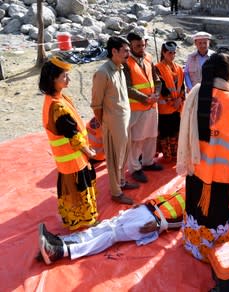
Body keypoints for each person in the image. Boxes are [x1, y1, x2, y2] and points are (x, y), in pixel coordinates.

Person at [177, 50, 229, 262]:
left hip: (197, 170)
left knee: (199, 212)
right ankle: (223, 250)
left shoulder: (195, 96)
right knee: (224, 216)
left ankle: (196, 245)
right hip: (225, 177)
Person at [37, 192, 185, 265]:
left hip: (152, 222)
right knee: (107, 225)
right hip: (147, 210)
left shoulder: (200, 201)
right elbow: (167, 199)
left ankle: (60, 252)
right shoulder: (190, 184)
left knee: (112, 234)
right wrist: (145, 203)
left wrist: (160, 225)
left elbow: (185, 222)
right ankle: (59, 241)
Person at [39, 57, 99, 231]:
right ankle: (85, 222)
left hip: (69, 160)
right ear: (53, 79)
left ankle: (79, 220)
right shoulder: (57, 106)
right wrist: (88, 151)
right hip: (73, 160)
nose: (68, 79)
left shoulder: (54, 98)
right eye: (64, 76)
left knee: (73, 192)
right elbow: (72, 134)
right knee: (78, 193)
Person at [91, 36, 138, 205]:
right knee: (113, 159)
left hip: (124, 121)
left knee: (124, 155)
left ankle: (122, 182)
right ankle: (116, 192)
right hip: (112, 123)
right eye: (125, 50)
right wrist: (107, 123)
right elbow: (96, 105)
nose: (128, 53)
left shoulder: (120, 69)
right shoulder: (103, 73)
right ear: (114, 51)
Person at [123, 32, 163, 184]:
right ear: (130, 46)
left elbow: (157, 80)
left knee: (151, 136)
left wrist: (157, 94)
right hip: (137, 108)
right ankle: (134, 168)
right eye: (137, 46)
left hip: (152, 105)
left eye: (143, 45)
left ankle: (148, 162)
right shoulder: (126, 63)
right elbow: (127, 88)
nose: (141, 48)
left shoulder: (148, 58)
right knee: (137, 139)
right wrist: (145, 98)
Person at [155, 41, 185, 163]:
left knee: (176, 132)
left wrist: (180, 99)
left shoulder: (178, 68)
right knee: (165, 134)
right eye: (169, 53)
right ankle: (167, 155)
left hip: (177, 108)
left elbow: (182, 86)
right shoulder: (157, 68)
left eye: (174, 53)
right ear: (163, 53)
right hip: (165, 109)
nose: (172, 55)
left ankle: (175, 154)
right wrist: (172, 102)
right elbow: (161, 88)